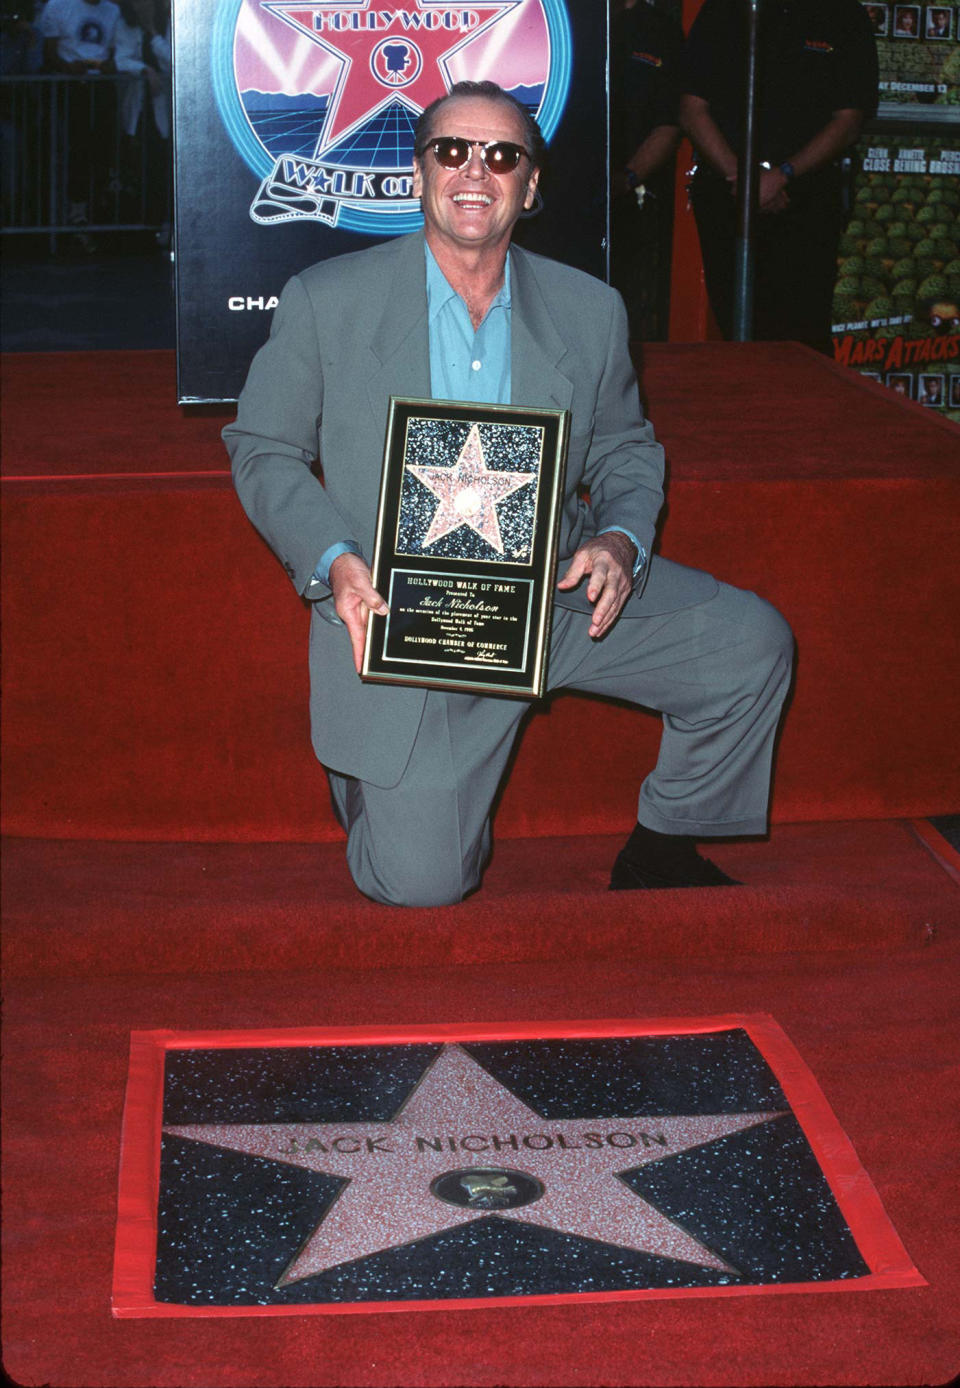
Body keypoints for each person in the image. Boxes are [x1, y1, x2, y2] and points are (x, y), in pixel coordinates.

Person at [225, 81, 793, 908]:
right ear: (417, 174)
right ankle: (371, 787)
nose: (474, 172)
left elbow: (629, 447)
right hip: (396, 615)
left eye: (503, 156)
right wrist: (335, 560)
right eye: (450, 150)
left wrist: (622, 541)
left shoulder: (589, 310)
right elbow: (263, 449)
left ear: (530, 186)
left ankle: (663, 844)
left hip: (555, 598)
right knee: (420, 888)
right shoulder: (327, 300)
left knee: (752, 643)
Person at [679, 0, 878, 354]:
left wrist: (783, 175)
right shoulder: (724, 10)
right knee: (739, 334)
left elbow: (849, 120)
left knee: (801, 339)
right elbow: (692, 108)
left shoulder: (842, 13)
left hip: (806, 199)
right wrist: (741, 177)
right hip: (729, 194)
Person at [609, 0, 684, 339]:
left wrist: (627, 179)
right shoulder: (565, 17)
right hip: (555, 202)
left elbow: (669, 124)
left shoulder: (658, 30)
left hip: (629, 202)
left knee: (622, 318)